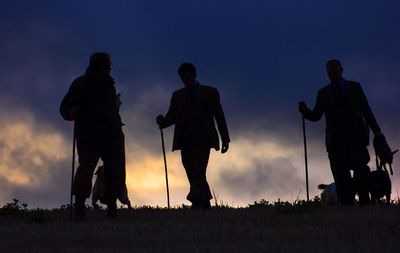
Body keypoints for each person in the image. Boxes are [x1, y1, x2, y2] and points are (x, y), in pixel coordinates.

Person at [298, 59, 389, 205]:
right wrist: (305, 111)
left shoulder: (355, 87)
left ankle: (365, 205)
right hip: (335, 142)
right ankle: (347, 207)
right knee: (341, 178)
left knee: (361, 173)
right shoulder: (323, 93)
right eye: (329, 73)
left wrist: (377, 131)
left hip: (356, 139)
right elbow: (316, 116)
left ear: (341, 70)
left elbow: (367, 111)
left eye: (335, 71)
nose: (332, 75)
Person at [60, 52, 126, 219]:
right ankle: (80, 208)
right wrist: (72, 111)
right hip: (90, 135)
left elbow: (112, 108)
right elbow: (65, 107)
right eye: (108, 67)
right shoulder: (81, 84)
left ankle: (112, 208)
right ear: (100, 66)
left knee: (114, 170)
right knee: (86, 169)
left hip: (112, 134)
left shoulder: (109, 85)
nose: (109, 70)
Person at [156, 63, 230, 209]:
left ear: (194, 75)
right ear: (181, 78)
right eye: (184, 76)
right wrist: (162, 121)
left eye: (189, 75)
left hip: (203, 140)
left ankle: (195, 201)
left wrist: (225, 138)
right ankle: (205, 201)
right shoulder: (177, 96)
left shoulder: (210, 92)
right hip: (185, 141)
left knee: (198, 172)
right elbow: (172, 117)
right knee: (191, 172)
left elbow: (219, 116)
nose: (187, 78)